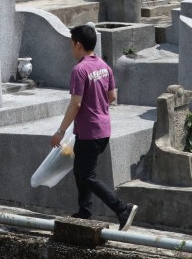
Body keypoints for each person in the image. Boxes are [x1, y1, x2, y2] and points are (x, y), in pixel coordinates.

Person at [50, 24, 137, 231]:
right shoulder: (103, 65)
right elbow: (113, 96)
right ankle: (84, 212)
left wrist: (60, 131)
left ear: (78, 45)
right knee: (82, 171)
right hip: (103, 130)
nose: (71, 48)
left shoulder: (80, 70)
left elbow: (76, 103)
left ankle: (122, 209)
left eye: (71, 44)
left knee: (86, 174)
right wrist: (97, 107)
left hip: (89, 132)